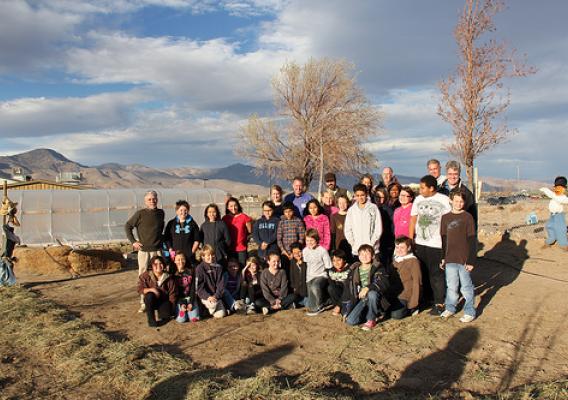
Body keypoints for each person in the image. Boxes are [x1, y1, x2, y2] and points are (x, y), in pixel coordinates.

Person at [409, 175, 451, 316]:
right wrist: (411, 238)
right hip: (421, 242)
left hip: (437, 243)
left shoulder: (444, 200)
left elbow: (449, 221)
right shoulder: (418, 200)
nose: (420, 190)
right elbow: (413, 219)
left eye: (422, 187)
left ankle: (439, 302)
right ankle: (427, 299)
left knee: (436, 273)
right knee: (424, 272)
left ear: (431, 188)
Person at [440, 190, 477, 323]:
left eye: (461, 201)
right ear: (451, 201)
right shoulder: (445, 218)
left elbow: (472, 239)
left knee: (466, 287)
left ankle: (469, 311)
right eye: (456, 201)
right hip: (450, 258)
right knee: (451, 286)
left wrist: (471, 260)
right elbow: (443, 239)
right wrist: (443, 257)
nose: (459, 204)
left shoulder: (467, 217)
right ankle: (450, 307)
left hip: (464, 259)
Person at [125, 190, 165, 313]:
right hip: (144, 251)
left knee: (160, 274)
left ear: (157, 199)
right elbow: (128, 226)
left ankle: (159, 299)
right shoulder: (140, 214)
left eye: (154, 198)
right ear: (145, 201)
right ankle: (144, 302)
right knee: (143, 276)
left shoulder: (160, 213)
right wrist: (133, 242)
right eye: (149, 199)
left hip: (157, 250)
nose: (152, 201)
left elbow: (159, 230)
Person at [344, 244, 390, 331]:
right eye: (361, 254)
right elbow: (347, 290)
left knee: (372, 293)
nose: (364, 256)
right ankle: (368, 314)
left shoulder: (378, 267)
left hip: (376, 299)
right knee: (350, 321)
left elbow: (384, 283)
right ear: (358, 256)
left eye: (367, 254)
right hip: (360, 300)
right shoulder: (353, 270)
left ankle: (371, 319)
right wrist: (345, 310)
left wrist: (367, 288)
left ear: (372, 256)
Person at [344, 183, 382, 259]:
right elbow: (348, 229)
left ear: (366, 194)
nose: (360, 197)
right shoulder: (351, 210)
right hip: (357, 249)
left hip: (372, 248)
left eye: (362, 195)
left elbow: (378, 227)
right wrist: (353, 243)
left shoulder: (373, 208)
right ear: (354, 195)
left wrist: (372, 243)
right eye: (357, 195)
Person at [138, 255, 176, 327]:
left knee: (166, 317)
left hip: (164, 301)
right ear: (151, 266)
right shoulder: (145, 276)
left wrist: (173, 308)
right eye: (155, 264)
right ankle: (151, 320)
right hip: (152, 301)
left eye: (160, 263)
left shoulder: (169, 277)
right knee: (149, 295)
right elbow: (140, 289)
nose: (158, 265)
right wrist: (151, 289)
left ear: (164, 265)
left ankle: (163, 313)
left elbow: (172, 294)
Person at [390, 236, 422, 320]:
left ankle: (411, 308)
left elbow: (417, 282)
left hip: (406, 294)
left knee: (396, 315)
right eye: (397, 247)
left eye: (402, 247)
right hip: (394, 293)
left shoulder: (413, 261)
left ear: (408, 248)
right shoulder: (395, 260)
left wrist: (413, 302)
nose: (399, 250)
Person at [303, 229, 332, 316]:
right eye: (307, 240)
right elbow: (306, 264)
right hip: (310, 277)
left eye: (312, 240)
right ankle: (328, 301)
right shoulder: (305, 251)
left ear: (316, 239)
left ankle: (320, 306)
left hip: (321, 275)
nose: (309, 242)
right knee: (310, 305)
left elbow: (328, 266)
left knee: (315, 286)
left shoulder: (322, 251)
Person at [438, 160, 477, 227]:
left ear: (459, 174)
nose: (452, 177)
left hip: (459, 230)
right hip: (439, 230)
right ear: (446, 174)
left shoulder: (467, 193)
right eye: (450, 174)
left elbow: (472, 218)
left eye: (455, 174)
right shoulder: (438, 190)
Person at [164, 200, 200, 266]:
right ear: (177, 211)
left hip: (189, 256)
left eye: (185, 210)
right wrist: (170, 250)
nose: (183, 212)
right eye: (181, 210)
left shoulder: (193, 223)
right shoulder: (171, 223)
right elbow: (167, 238)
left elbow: (197, 239)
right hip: (175, 255)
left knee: (188, 273)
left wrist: (192, 251)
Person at [195, 244, 227, 319]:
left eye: (212, 255)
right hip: (206, 297)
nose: (211, 257)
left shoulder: (218, 267)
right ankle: (206, 308)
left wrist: (216, 296)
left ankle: (208, 311)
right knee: (213, 305)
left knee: (221, 314)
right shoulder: (199, 268)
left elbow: (221, 284)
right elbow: (199, 287)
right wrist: (208, 296)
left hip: (216, 297)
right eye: (208, 255)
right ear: (203, 257)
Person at [222, 197, 252, 267]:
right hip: (229, 248)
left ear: (238, 206)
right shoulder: (225, 218)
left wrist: (244, 240)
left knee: (242, 267)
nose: (233, 208)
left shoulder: (244, 217)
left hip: (241, 247)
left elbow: (250, 231)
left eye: (235, 205)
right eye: (231, 206)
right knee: (231, 267)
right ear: (227, 207)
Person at [540, 176, 568, 250]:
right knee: (549, 227)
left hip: (559, 216)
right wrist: (544, 189)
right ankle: (549, 241)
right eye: (557, 187)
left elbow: (565, 200)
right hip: (552, 216)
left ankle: (564, 245)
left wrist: (547, 191)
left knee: (561, 229)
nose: (558, 189)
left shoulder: (563, 197)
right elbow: (550, 193)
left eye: (560, 188)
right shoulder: (554, 195)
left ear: (564, 189)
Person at [173, 252, 200, 323]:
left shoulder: (191, 271)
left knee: (194, 318)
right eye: (178, 259)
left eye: (182, 259)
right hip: (180, 300)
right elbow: (175, 292)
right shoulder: (173, 274)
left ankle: (190, 313)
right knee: (181, 320)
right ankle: (183, 313)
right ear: (174, 261)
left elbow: (193, 288)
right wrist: (182, 304)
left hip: (190, 298)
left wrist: (191, 302)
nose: (180, 261)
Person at [327, 249, 351, 317]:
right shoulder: (331, 271)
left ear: (344, 260)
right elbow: (332, 286)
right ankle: (338, 307)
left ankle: (341, 307)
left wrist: (339, 305)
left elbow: (349, 289)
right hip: (338, 294)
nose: (336, 263)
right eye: (334, 260)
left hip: (348, 293)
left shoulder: (350, 269)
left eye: (339, 260)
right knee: (330, 288)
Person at [375, 187, 395, 267]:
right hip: (376, 240)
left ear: (386, 197)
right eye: (377, 197)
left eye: (381, 197)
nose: (379, 199)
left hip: (386, 240)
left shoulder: (388, 210)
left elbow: (392, 226)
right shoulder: (373, 208)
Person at [288, 242, 308, 307]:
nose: (297, 254)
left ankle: (301, 303)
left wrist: (302, 264)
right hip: (298, 290)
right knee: (294, 297)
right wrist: (293, 286)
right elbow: (292, 275)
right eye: (294, 253)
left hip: (306, 290)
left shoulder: (306, 261)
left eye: (299, 252)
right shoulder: (292, 262)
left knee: (308, 303)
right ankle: (299, 302)